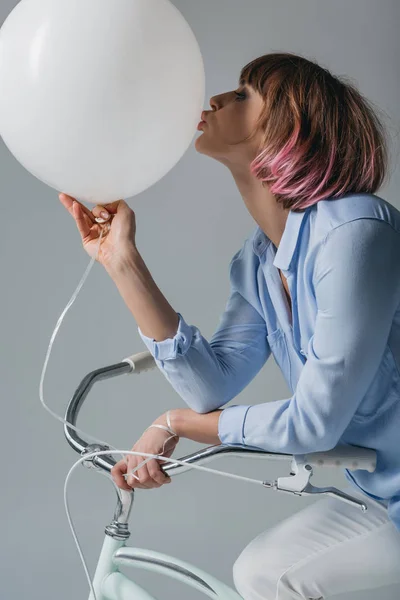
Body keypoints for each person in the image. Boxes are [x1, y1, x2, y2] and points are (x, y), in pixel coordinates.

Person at [59, 52, 400, 599]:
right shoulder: (260, 260)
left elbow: (314, 424)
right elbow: (211, 386)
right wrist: (123, 261)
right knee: (261, 572)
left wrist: (171, 424)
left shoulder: (355, 232)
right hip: (381, 493)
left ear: (290, 125)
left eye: (243, 95)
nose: (215, 100)